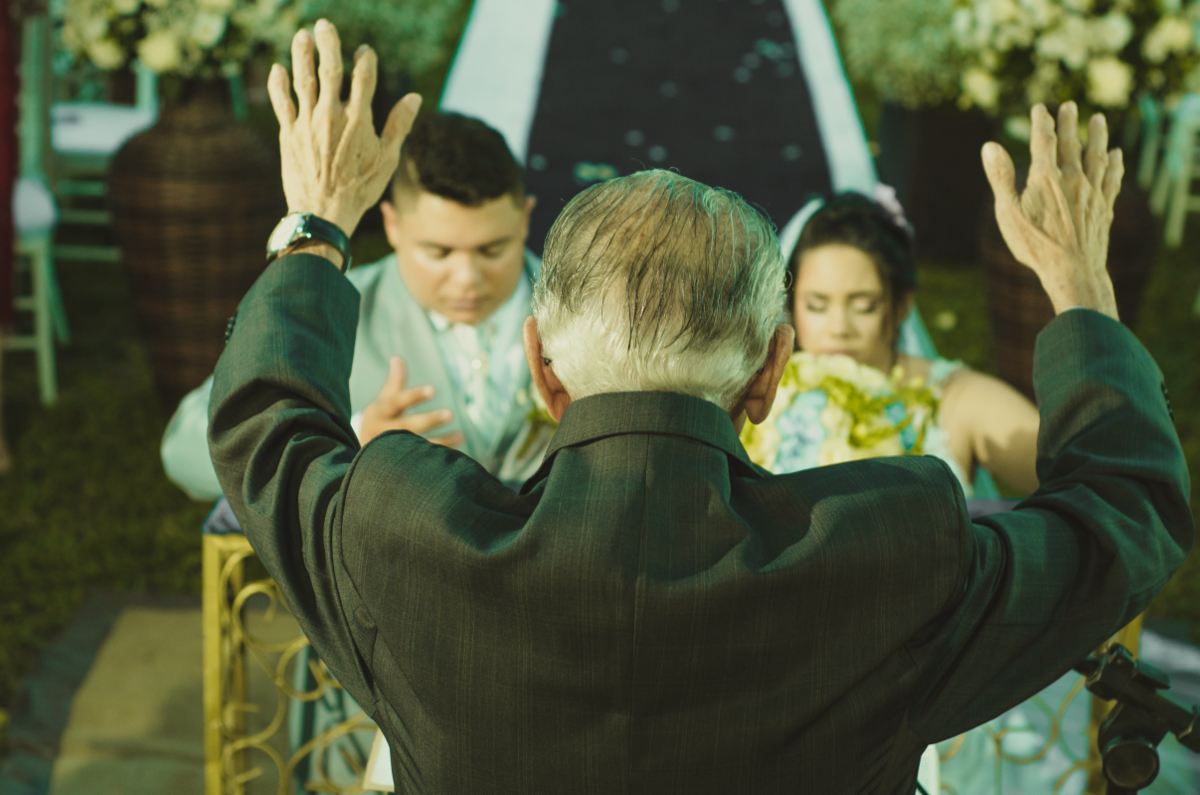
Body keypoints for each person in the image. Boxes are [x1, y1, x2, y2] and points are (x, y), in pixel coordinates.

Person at [210, 20, 1192, 794]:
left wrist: (317, 224)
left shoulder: (402, 533)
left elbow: (266, 427)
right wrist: (1079, 288)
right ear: (771, 372)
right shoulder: (895, 548)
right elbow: (1126, 515)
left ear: (544, 371)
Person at [161, 110, 547, 500]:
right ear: (392, 226)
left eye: (492, 249)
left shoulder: (589, 310)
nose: (467, 277)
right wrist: (354, 439)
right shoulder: (329, 310)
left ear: (526, 219)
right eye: (439, 252)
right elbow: (186, 450)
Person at [749, 191, 1040, 496]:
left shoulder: (952, 400)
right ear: (792, 305)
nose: (838, 328)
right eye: (816, 306)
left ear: (901, 304)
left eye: (863, 306)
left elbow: (1080, 471)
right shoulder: (762, 392)